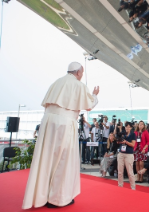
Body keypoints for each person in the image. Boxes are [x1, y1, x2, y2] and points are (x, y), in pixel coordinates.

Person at [22, 62, 99, 209]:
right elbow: (89, 105)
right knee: (63, 160)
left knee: (46, 158)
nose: (81, 76)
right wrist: (94, 95)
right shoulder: (78, 85)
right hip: (64, 124)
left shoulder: (56, 82)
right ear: (78, 73)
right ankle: (57, 199)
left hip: (48, 122)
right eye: (81, 73)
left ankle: (41, 197)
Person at [117, 122, 136, 190]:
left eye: (128, 127)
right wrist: (119, 141)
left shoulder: (133, 134)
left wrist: (126, 142)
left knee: (130, 172)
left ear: (131, 127)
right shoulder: (123, 133)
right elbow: (118, 141)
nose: (127, 128)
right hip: (121, 153)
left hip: (129, 154)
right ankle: (120, 185)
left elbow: (133, 145)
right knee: (120, 171)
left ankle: (133, 187)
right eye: (126, 126)